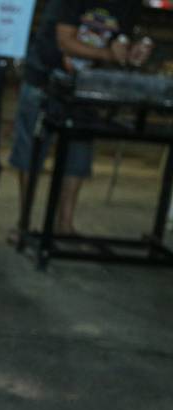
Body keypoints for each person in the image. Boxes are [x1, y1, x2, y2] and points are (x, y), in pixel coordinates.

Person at [8, 0, 151, 240]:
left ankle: (65, 225)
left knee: (78, 156)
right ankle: (23, 224)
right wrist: (109, 54)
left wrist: (132, 52)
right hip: (44, 76)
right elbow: (65, 40)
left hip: (86, 85)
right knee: (30, 154)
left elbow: (121, 41)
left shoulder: (129, 4)